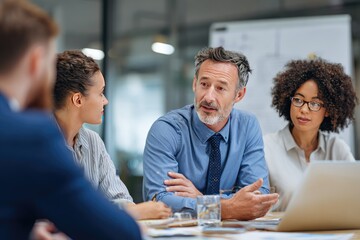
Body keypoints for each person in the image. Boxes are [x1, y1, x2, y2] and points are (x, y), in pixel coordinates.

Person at [0, 1, 141, 239]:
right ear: (35, 61)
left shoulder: (87, 140)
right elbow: (121, 232)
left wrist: (29, 231)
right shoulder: (29, 135)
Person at [143, 46, 279, 220]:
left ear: (239, 95)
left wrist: (201, 199)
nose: (208, 97)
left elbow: (256, 199)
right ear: (194, 84)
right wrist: (227, 208)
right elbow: (160, 201)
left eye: (221, 88)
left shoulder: (247, 126)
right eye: (204, 84)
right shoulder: (167, 129)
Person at [54, 50, 172, 220]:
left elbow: (119, 198)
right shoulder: (39, 144)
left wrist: (133, 210)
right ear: (78, 100)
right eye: (100, 93)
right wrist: (135, 212)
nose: (105, 101)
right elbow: (63, 214)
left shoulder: (93, 143)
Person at [264, 57, 358, 211]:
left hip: (330, 232)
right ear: (289, 101)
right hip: (281, 233)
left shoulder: (337, 148)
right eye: (298, 100)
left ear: (328, 110)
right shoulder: (266, 148)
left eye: (314, 103)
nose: (304, 110)